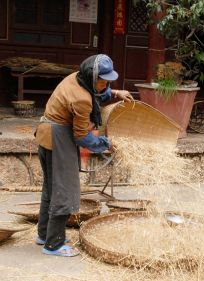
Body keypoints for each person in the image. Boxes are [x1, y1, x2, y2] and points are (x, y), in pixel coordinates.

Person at [34, 54, 134, 257]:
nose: (105, 84)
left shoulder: (77, 78)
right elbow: (82, 137)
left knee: (51, 189)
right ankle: (53, 244)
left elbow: (96, 92)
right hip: (58, 138)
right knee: (64, 190)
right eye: (103, 80)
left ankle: (44, 234)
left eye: (108, 81)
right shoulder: (82, 99)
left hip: (46, 134)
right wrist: (106, 144)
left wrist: (114, 92)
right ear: (92, 76)